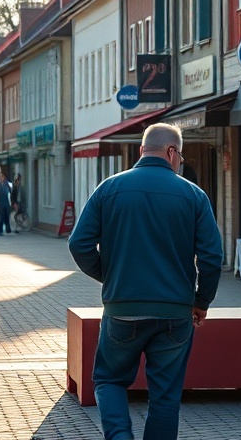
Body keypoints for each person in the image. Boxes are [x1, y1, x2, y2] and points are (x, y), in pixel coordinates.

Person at [69, 123, 223, 440]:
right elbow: (211, 257)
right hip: (175, 313)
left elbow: (79, 244)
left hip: (123, 309)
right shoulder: (194, 196)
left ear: (142, 150)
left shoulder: (109, 189)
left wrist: (111, 276)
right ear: (172, 152)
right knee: (165, 395)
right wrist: (201, 301)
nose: (179, 163)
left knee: (109, 380)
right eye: (180, 157)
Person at [0, 171, 13, 235]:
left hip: (7, 202)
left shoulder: (7, 184)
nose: (1, 177)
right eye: (0, 176)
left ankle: (8, 228)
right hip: (0, 203)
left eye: (2, 176)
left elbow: (11, 192)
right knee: (0, 217)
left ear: (4, 177)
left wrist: (12, 201)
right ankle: (0, 230)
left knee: (7, 216)